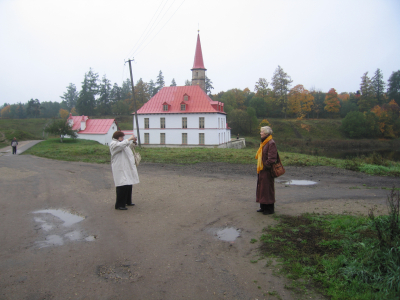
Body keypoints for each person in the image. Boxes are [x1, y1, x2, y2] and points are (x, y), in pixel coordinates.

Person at [109, 131, 140, 210]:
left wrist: (133, 142)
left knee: (128, 184)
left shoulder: (122, 143)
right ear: (118, 137)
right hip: (120, 168)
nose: (123, 138)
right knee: (122, 186)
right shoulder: (113, 144)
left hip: (126, 167)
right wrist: (129, 139)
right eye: (122, 137)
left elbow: (128, 147)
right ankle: (119, 205)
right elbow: (121, 146)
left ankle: (127, 201)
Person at [255, 126, 277, 215]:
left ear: (267, 133)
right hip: (262, 169)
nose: (260, 133)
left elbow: (272, 158)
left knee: (267, 189)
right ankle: (263, 207)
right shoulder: (264, 143)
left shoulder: (271, 143)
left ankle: (269, 209)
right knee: (262, 188)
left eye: (262, 132)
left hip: (267, 170)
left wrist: (265, 166)